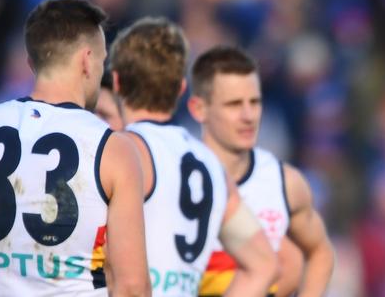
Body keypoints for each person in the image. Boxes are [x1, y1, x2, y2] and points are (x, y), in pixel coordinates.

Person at [0, 0, 151, 296]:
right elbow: (132, 287)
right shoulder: (112, 149)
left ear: (32, 64)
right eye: (101, 60)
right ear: (86, 60)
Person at [109, 17, 278, 296]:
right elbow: (263, 264)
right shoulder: (212, 164)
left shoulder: (121, 151)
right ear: (181, 89)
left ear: (116, 82)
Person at [188, 46, 335, 297]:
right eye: (234, 104)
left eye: (254, 102)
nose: (248, 116)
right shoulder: (175, 177)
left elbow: (320, 252)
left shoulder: (284, 182)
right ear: (199, 109)